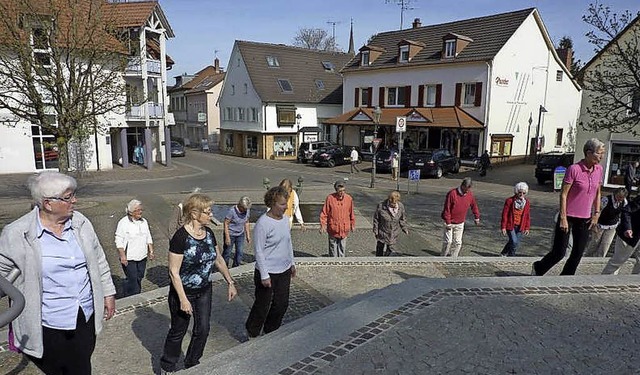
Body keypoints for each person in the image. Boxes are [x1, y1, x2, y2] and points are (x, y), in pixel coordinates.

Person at [0, 171, 116, 374]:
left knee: (81, 365)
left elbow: (99, 259)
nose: (75, 200)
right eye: (68, 197)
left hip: (83, 315)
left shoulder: (81, 222)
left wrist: (108, 292)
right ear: (48, 203)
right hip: (47, 322)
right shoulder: (17, 233)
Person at [160, 193, 237, 373]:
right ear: (194, 214)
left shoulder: (209, 233)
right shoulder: (180, 238)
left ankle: (192, 362)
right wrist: (183, 299)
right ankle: (167, 365)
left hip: (204, 290)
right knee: (178, 331)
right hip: (183, 292)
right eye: (208, 212)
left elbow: (218, 259)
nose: (211, 215)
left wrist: (230, 281)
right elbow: (173, 272)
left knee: (203, 329)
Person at [532, 138, 605, 276]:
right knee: (559, 252)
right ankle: (538, 268)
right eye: (599, 153)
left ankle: (565, 278)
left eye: (603, 153)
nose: (601, 157)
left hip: (585, 217)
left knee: (578, 252)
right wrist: (563, 217)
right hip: (568, 215)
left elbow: (598, 192)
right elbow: (563, 194)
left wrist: (596, 213)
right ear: (589, 153)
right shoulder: (574, 169)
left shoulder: (599, 170)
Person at [245, 186, 296, 338]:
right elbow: (259, 250)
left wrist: (292, 262)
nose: (285, 206)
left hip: (284, 269)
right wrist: (264, 275)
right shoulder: (263, 223)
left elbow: (288, 242)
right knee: (262, 305)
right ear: (272, 204)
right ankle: (252, 330)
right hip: (267, 271)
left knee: (282, 304)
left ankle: (270, 330)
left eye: (285, 203)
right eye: (281, 204)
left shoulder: (285, 219)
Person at [115, 199, 154, 296]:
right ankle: (134, 297)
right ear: (131, 212)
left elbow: (148, 236)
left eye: (141, 209)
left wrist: (151, 251)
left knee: (140, 276)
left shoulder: (144, 221)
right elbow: (118, 239)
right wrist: (122, 256)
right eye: (138, 210)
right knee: (133, 278)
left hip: (142, 255)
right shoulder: (123, 223)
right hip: (129, 257)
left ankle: (127, 287)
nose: (140, 212)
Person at [441, 177, 481, 257]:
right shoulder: (452, 194)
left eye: (468, 189)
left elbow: (474, 205)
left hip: (460, 222)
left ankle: (453, 258)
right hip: (449, 221)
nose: (467, 191)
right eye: (466, 189)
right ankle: (443, 256)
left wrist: (476, 216)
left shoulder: (469, 194)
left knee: (458, 242)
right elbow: (447, 209)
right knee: (448, 242)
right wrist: (448, 222)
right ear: (462, 186)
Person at [584, 188, 628, 257]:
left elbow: (624, 214)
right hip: (600, 224)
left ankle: (599, 261)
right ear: (615, 194)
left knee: (605, 245)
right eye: (618, 196)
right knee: (595, 243)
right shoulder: (606, 200)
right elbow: (597, 211)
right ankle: (586, 257)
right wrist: (594, 224)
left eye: (622, 198)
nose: (620, 199)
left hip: (612, 226)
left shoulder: (624, 202)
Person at [602, 195, 640, 275]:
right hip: (630, 235)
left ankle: (634, 284)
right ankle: (604, 281)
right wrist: (628, 228)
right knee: (617, 261)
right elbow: (626, 211)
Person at [320, 181, 356, 257]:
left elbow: (351, 213)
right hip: (333, 229)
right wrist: (323, 225)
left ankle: (341, 264)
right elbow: (324, 213)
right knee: (333, 250)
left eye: (344, 190)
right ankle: (333, 264)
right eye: (340, 191)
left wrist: (352, 224)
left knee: (342, 248)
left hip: (344, 228)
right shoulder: (330, 198)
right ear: (336, 190)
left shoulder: (349, 199)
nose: (342, 193)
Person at [373, 191, 408, 256]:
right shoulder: (381, 206)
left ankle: (386, 260)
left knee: (390, 248)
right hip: (382, 231)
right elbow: (376, 219)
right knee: (380, 247)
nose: (394, 205)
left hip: (394, 232)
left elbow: (402, 218)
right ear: (389, 200)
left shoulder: (400, 206)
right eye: (392, 204)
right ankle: (379, 261)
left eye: (395, 203)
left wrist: (404, 228)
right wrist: (375, 230)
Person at [500, 182, 531, 257]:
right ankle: (512, 256)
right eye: (520, 192)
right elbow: (505, 214)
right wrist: (503, 227)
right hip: (510, 225)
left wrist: (527, 227)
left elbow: (527, 216)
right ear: (517, 191)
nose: (521, 194)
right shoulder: (510, 201)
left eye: (524, 193)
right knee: (514, 241)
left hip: (520, 226)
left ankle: (504, 252)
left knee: (515, 242)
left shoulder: (526, 202)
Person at [222, 196, 252, 268]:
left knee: (240, 252)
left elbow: (246, 222)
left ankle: (235, 267)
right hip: (231, 234)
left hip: (240, 234)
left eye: (246, 209)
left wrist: (248, 235)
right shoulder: (232, 211)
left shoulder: (247, 210)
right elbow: (226, 223)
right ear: (240, 206)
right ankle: (224, 268)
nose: (245, 210)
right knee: (227, 252)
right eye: (244, 209)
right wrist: (227, 237)